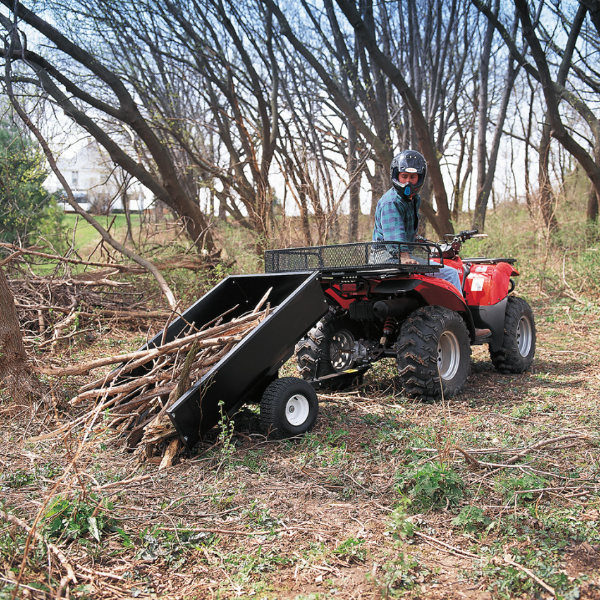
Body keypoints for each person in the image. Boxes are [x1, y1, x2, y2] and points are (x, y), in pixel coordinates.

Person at [372, 149, 463, 295]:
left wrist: (421, 242)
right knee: (450, 274)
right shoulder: (392, 201)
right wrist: (405, 257)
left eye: (412, 177)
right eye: (404, 176)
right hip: (387, 257)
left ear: (419, 178)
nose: (408, 181)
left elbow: (407, 232)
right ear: (396, 175)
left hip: (397, 256)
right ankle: (459, 317)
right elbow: (395, 235)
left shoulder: (413, 200)